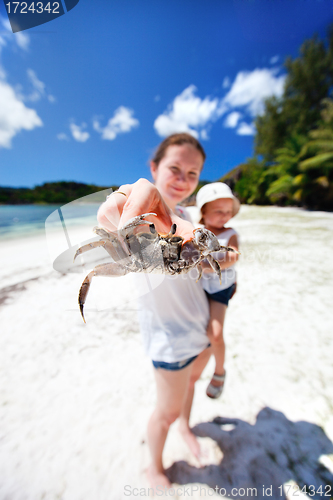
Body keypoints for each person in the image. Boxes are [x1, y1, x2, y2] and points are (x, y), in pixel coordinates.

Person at [97, 134, 215, 489]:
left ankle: (186, 426)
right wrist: (121, 203)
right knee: (164, 412)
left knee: (192, 385)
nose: (182, 178)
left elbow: (204, 250)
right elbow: (123, 212)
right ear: (154, 167)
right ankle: (155, 468)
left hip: (202, 329)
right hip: (169, 340)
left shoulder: (189, 215)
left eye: (192, 174)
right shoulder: (149, 217)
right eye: (175, 168)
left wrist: (208, 253)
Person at [196, 182, 240, 399]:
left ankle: (220, 371)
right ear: (203, 211)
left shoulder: (229, 233)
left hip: (220, 288)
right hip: (202, 286)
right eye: (218, 211)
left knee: (215, 332)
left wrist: (206, 266)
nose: (225, 216)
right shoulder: (196, 231)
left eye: (228, 212)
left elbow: (233, 256)